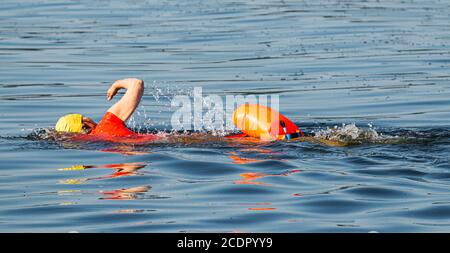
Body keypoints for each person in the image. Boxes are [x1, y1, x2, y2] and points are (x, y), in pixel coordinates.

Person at [54, 78, 160, 142]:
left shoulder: (100, 147)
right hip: (167, 142)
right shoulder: (107, 124)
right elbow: (137, 84)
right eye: (85, 117)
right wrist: (116, 85)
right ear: (84, 123)